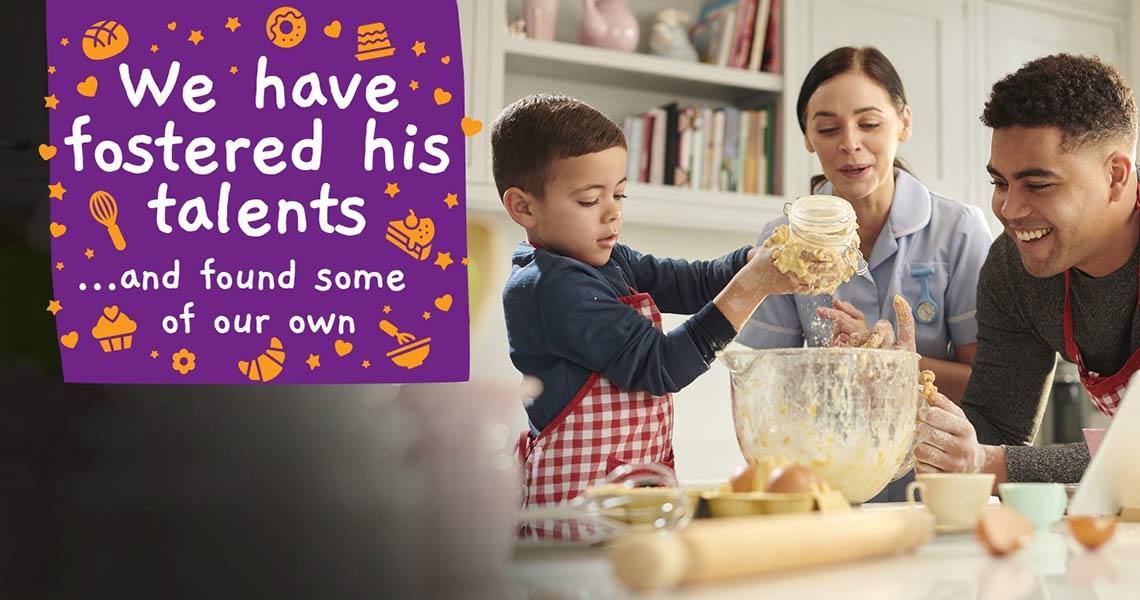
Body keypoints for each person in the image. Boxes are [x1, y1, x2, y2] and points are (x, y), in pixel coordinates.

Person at [493, 93, 830, 518]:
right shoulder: (548, 289)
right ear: (524, 207)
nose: (612, 214)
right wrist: (751, 287)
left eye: (619, 195)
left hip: (631, 489)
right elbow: (660, 365)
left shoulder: (610, 261)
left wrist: (756, 260)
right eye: (588, 201)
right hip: (577, 507)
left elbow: (692, 282)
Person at [737, 46, 992, 501]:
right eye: (828, 128)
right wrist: (840, 368)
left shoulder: (959, 230)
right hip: (824, 485)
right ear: (808, 138)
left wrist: (890, 364)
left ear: (904, 123)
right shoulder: (782, 241)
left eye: (869, 124)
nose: (849, 143)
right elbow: (763, 384)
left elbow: (986, 379)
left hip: (934, 484)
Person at [912, 53, 1139, 485]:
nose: (1008, 210)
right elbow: (994, 428)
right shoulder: (1011, 268)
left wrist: (988, 464)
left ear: (1115, 175)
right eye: (1000, 183)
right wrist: (944, 442)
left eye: (1038, 185)